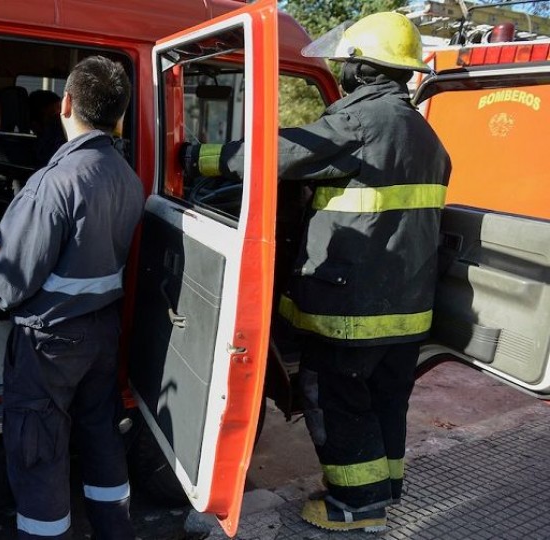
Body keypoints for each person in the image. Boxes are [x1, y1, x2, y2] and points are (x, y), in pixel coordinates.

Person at [181, 12, 451, 533]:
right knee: (385, 400)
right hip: (408, 310)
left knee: (334, 398)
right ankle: (384, 488)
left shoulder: (361, 121)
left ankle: (356, 506)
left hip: (354, 312)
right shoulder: (424, 134)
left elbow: (274, 156)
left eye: (347, 64)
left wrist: (195, 156)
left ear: (363, 69)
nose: (343, 73)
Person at [0, 55, 143, 540]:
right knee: (100, 434)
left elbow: (6, 289)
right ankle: (115, 531)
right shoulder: (127, 176)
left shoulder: (52, 184)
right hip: (102, 332)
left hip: (51, 344)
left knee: (40, 448)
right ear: (119, 114)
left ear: (66, 103)